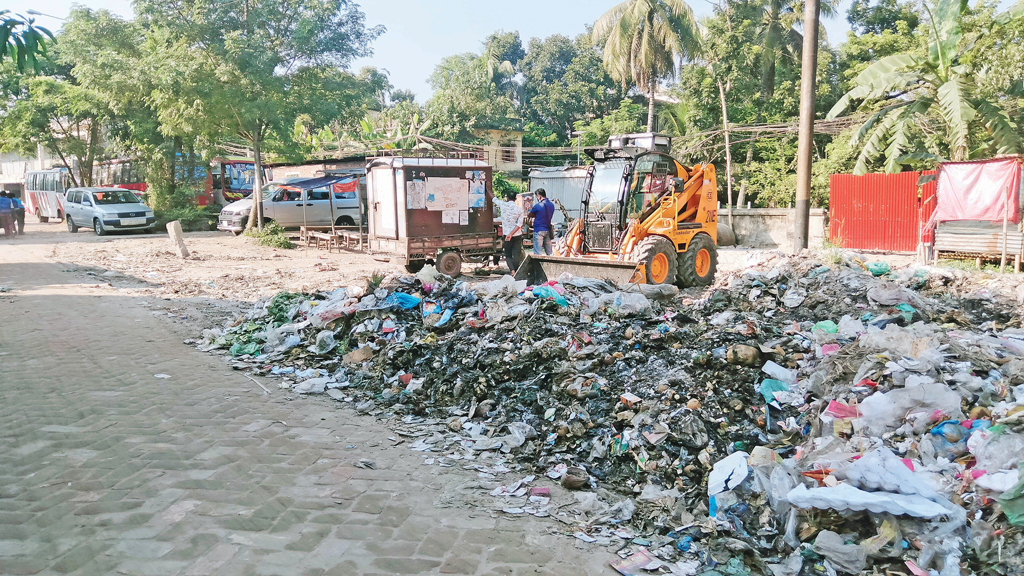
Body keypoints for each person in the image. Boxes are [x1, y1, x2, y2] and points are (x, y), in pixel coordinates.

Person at [494, 192, 525, 272]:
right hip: (517, 235)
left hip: (507, 235)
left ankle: (512, 270)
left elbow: (494, 198)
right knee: (516, 254)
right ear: (515, 199)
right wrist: (512, 234)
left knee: (508, 254)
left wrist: (488, 188)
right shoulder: (520, 210)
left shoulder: (503, 205)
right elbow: (519, 224)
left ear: (507, 198)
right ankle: (516, 270)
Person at [528, 188, 555, 255]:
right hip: (548, 230)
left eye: (537, 197)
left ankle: (538, 265)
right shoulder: (552, 205)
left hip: (538, 230)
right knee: (549, 253)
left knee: (538, 253)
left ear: (539, 196)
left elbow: (530, 215)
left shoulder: (538, 206)